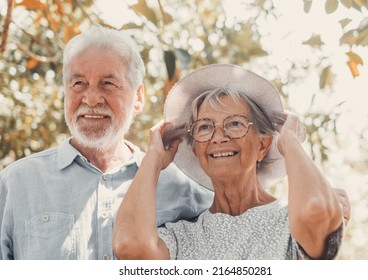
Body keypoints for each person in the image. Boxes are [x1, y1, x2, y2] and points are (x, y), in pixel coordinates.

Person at [0, 26, 214, 260]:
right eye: (78, 83)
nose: (91, 99)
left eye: (108, 84)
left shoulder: (183, 187)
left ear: (138, 98)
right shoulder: (16, 183)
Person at [113, 64, 347, 260]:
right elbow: (129, 246)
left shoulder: (289, 220)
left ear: (263, 145)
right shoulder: (182, 237)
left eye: (235, 123)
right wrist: (153, 159)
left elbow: (316, 209)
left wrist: (290, 141)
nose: (219, 137)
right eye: (204, 127)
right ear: (196, 149)